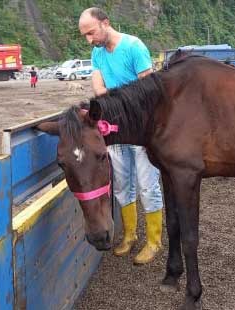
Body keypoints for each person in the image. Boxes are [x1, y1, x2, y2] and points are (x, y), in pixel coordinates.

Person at [79, 7, 164, 265]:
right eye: (84, 35)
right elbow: (98, 87)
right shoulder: (97, 54)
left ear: (106, 23)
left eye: (91, 32)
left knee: (148, 186)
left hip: (141, 131)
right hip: (114, 131)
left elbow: (148, 92)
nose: (89, 40)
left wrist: (119, 107)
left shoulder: (134, 47)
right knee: (122, 186)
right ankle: (129, 235)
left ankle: (154, 240)